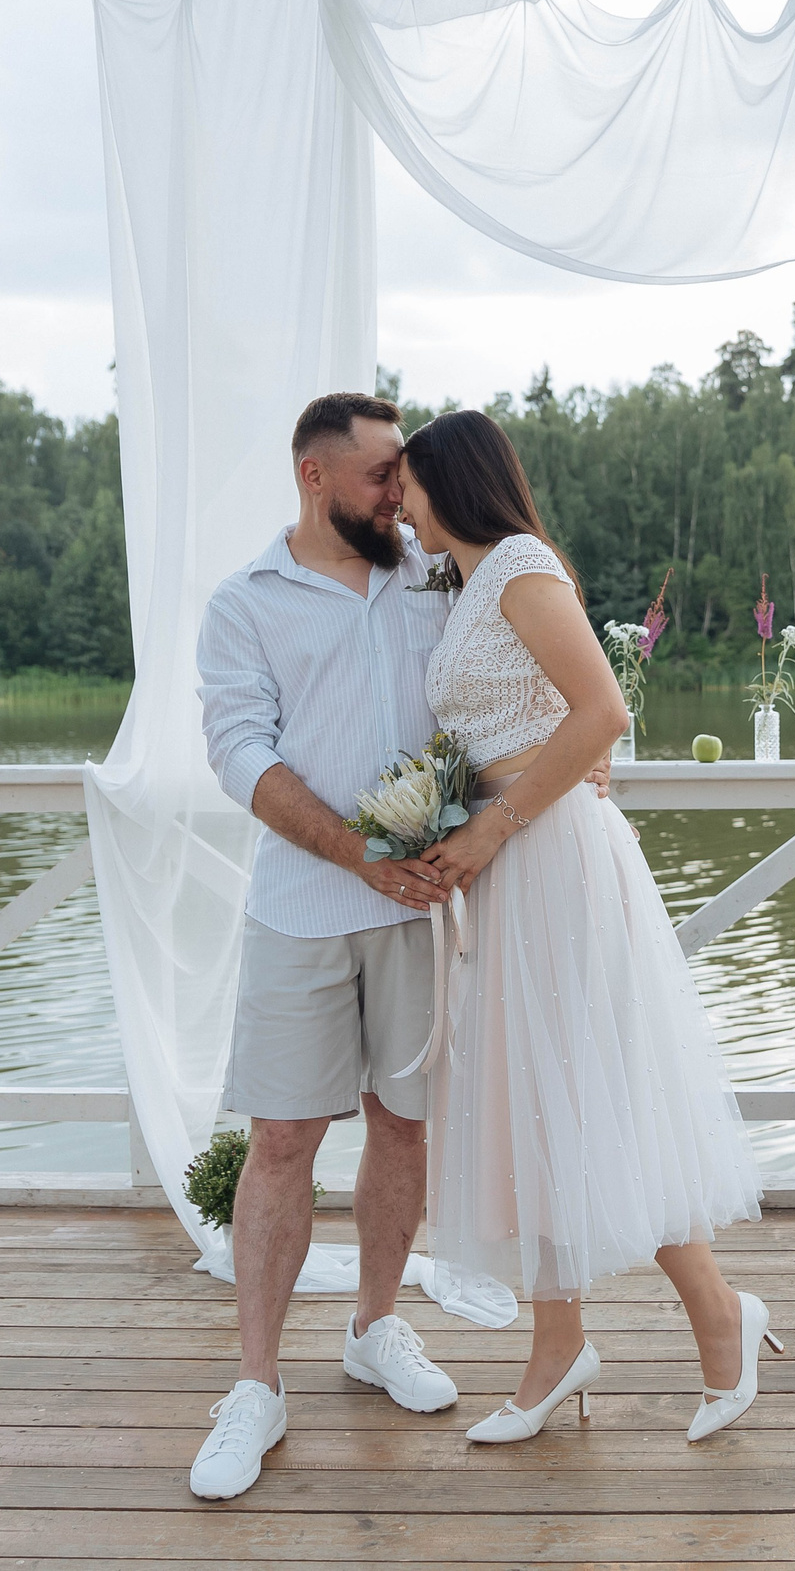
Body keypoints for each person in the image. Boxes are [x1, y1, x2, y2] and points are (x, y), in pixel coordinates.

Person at [400, 409, 775, 1446]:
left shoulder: (521, 564)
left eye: (410, 487)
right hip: (508, 853)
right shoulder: (468, 581)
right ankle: (557, 1342)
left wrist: (493, 826)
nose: (401, 505)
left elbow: (602, 708)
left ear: (450, 482)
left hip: (548, 851)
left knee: (597, 1087)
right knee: (535, 1094)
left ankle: (720, 1318)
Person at [184, 391, 464, 1501]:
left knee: (403, 1125)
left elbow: (504, 693)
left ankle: (375, 1326)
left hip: (420, 913)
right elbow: (238, 752)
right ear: (314, 477)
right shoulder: (245, 601)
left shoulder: (434, 579)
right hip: (301, 910)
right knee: (285, 1137)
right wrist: (356, 852)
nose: (400, 491)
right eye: (381, 474)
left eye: (402, 472)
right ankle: (256, 1385)